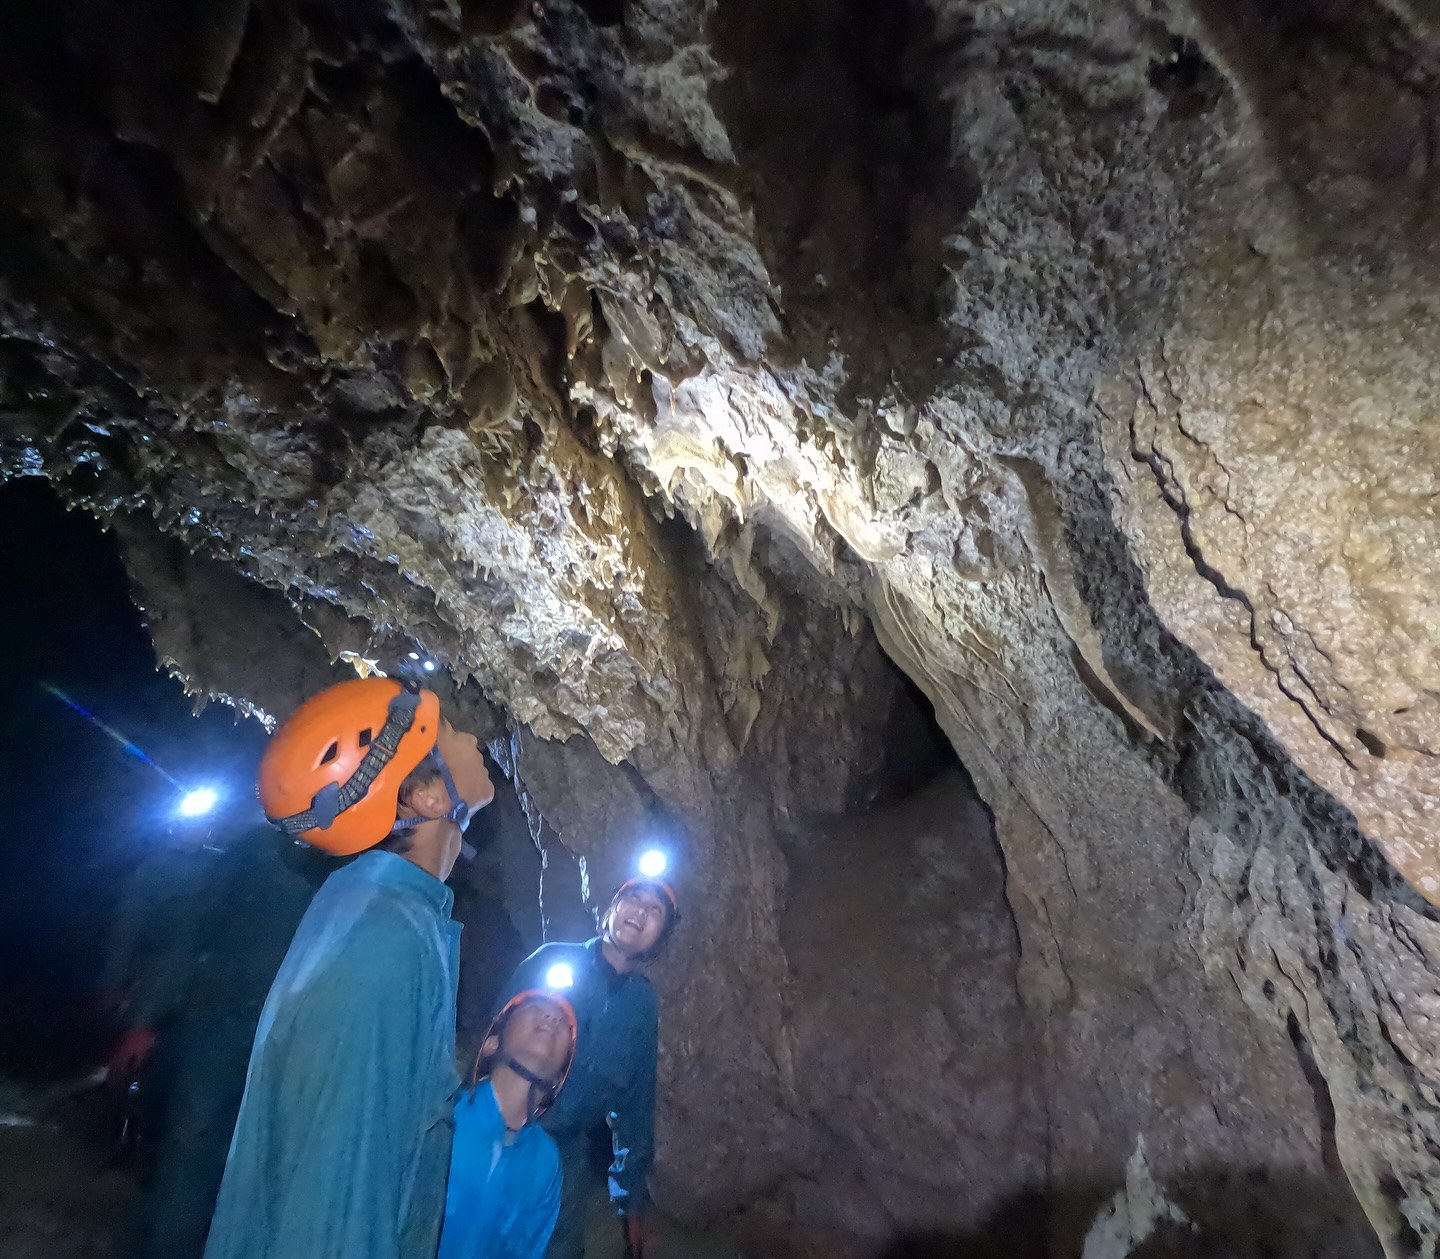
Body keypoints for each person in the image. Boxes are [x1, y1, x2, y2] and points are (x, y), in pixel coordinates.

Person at [203, 675, 495, 1259]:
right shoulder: (384, 942)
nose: (472, 738)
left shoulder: (375, 910)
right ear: (428, 798)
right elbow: (338, 1191)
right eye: (451, 731)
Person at [102, 823, 327, 1259]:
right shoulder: (255, 848)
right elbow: (195, 934)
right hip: (221, 1031)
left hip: (295, 1041)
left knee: (253, 1168)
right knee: (190, 1163)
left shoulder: (354, 858)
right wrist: (145, 1021)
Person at [497, 870, 678, 1259]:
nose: (640, 912)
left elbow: (635, 1104)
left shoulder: (641, 1008)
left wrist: (630, 1204)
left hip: (566, 1155)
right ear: (610, 908)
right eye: (633, 899)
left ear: (659, 940)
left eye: (655, 910)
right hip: (504, 1136)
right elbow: (490, 1049)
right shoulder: (551, 962)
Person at [438, 987, 578, 1259]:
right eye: (534, 1008)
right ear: (492, 1043)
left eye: (562, 1022)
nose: (551, 1018)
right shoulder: (444, 1117)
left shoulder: (545, 1164)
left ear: (558, 1080)